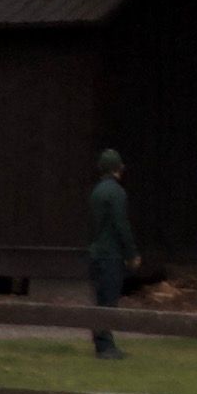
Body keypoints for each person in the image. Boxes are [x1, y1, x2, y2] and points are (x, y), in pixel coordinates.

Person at [84, 146, 134, 357]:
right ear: (117, 169)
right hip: (111, 253)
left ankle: (100, 340)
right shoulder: (117, 193)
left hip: (96, 252)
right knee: (109, 300)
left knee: (99, 297)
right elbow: (121, 225)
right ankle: (106, 346)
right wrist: (131, 253)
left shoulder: (96, 192)